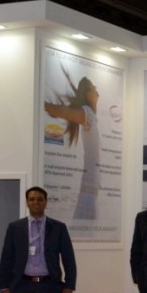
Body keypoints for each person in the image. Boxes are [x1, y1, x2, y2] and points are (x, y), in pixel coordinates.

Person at [44, 75, 101, 221]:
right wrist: (43, 105)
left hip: (91, 190)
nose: (96, 89)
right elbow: (63, 112)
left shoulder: (93, 117)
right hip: (88, 191)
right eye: (93, 87)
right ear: (88, 94)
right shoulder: (87, 113)